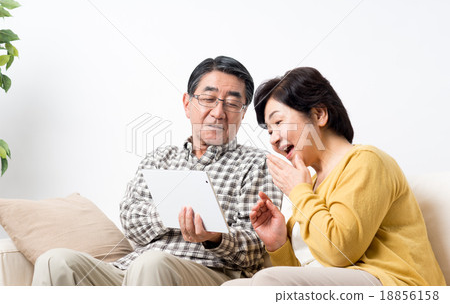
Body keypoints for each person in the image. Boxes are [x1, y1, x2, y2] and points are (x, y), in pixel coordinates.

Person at [32, 56, 283, 286]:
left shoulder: (257, 163)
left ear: (243, 113)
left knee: (152, 263)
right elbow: (131, 220)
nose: (218, 113)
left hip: (209, 273)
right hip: (131, 269)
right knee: (55, 261)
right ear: (187, 104)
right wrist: (172, 212)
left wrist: (214, 236)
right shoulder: (159, 159)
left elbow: (256, 247)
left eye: (231, 103)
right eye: (208, 99)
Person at [223, 67, 446, 286]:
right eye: (269, 130)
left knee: (267, 281)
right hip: (344, 286)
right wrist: (279, 244)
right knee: (231, 291)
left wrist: (299, 192)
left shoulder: (366, 160)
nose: (272, 139)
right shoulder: (309, 184)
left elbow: (339, 253)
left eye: (278, 122)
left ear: (319, 114)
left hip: (394, 284)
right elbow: (307, 274)